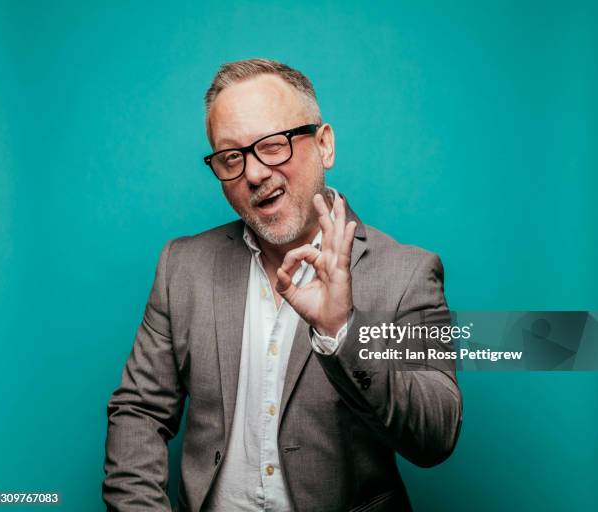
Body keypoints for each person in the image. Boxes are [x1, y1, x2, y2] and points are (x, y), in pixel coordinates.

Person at [103, 58, 462, 512]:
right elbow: (139, 413)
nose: (253, 174)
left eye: (273, 146)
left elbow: (436, 436)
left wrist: (341, 333)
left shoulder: (406, 274)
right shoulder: (183, 265)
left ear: (325, 145)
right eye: (232, 157)